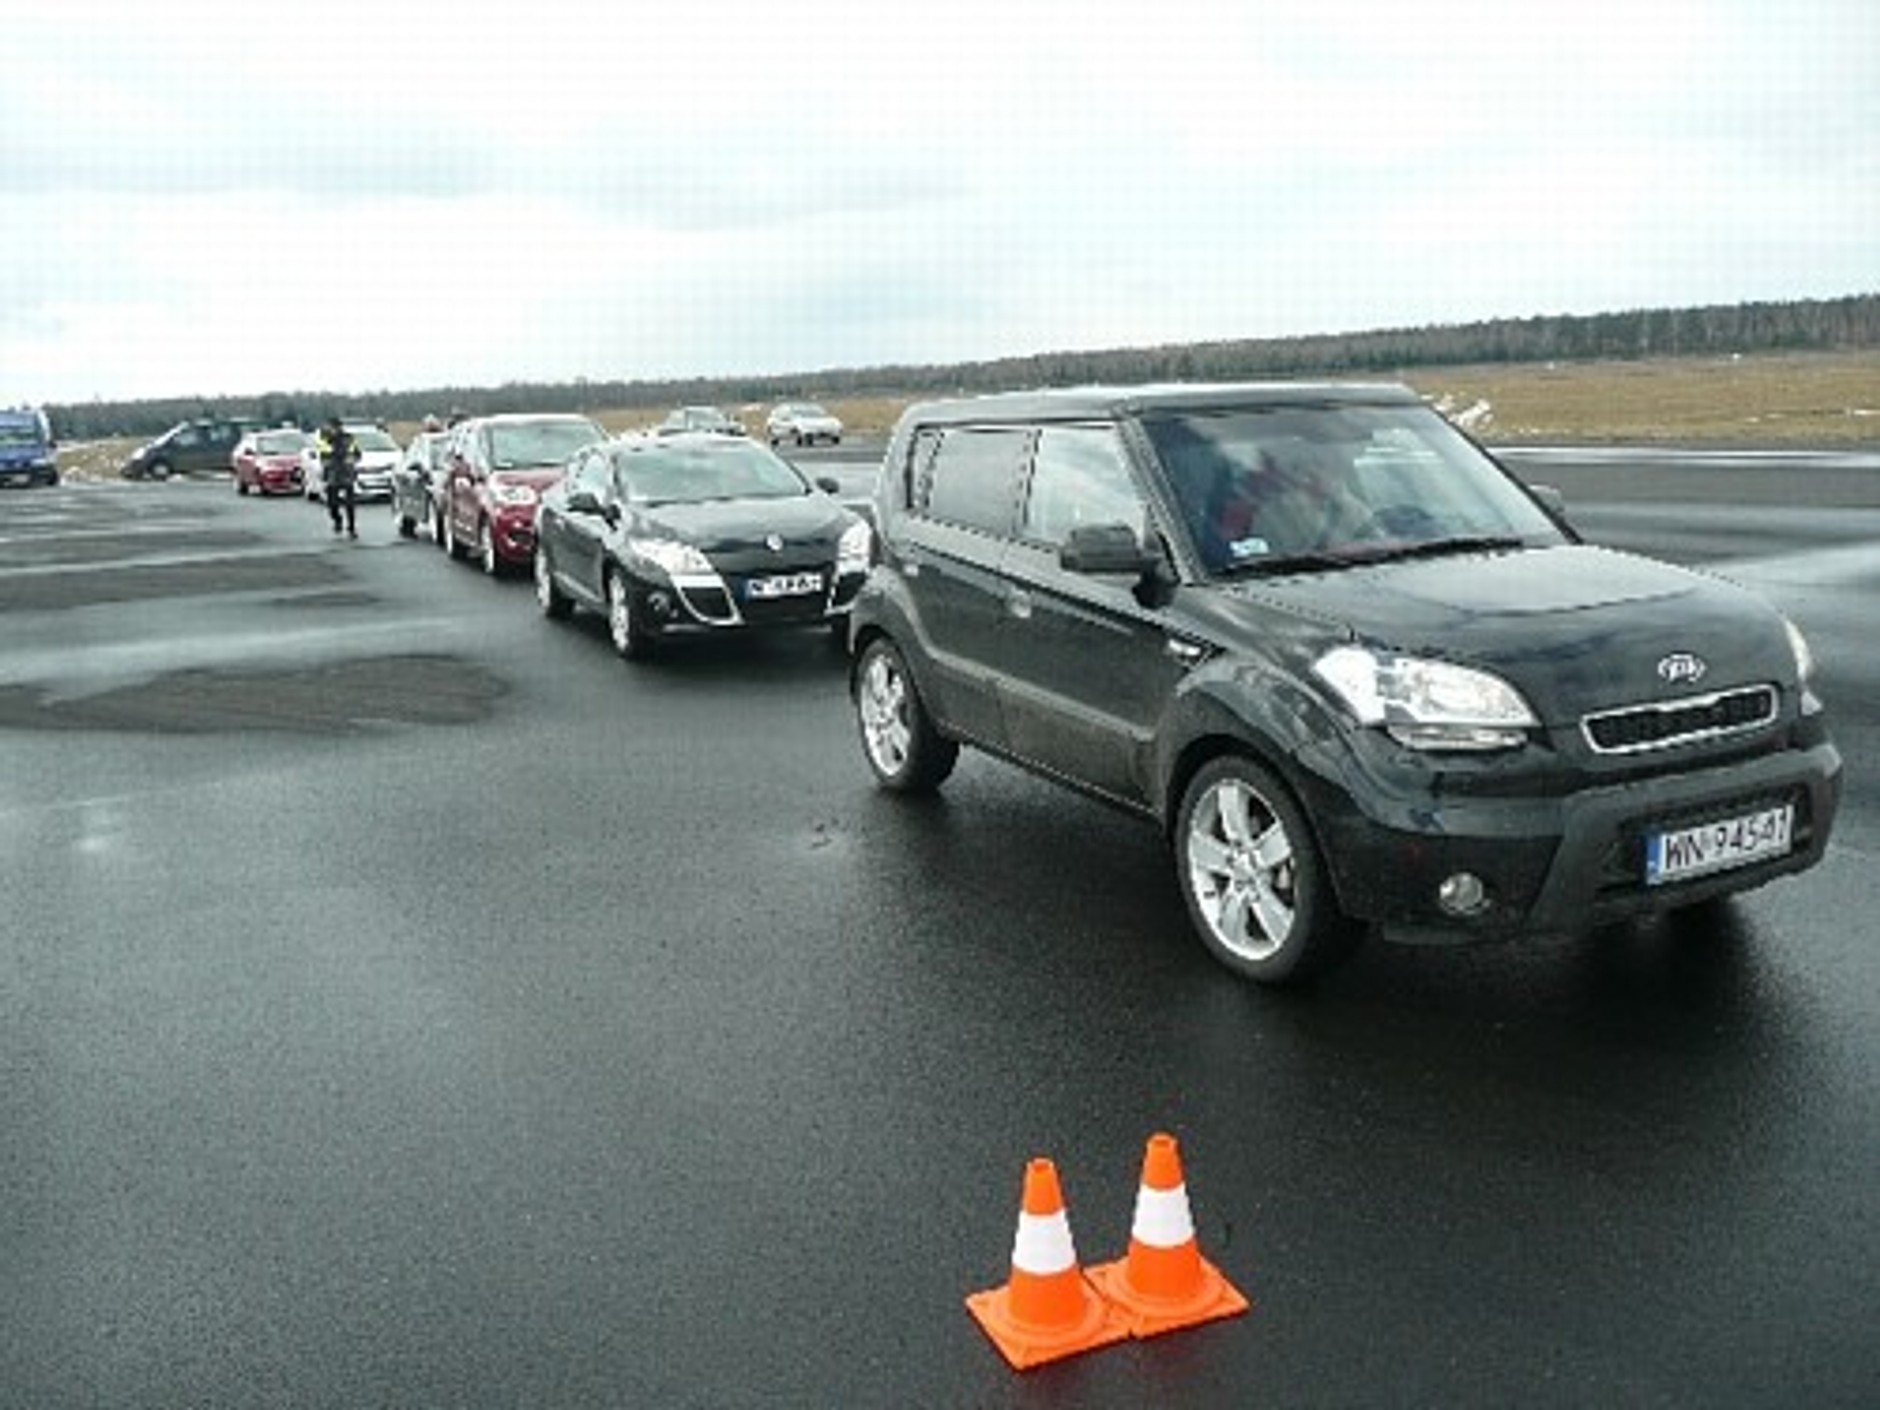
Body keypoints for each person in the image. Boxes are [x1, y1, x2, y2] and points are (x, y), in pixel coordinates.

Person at [316, 416, 361, 538]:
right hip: (332, 474)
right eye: (331, 427)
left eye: (336, 427)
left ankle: (352, 528)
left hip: (347, 473)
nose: (333, 429)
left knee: (350, 503)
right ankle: (337, 519)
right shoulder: (325, 439)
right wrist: (326, 462)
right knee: (332, 503)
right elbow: (322, 455)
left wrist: (353, 459)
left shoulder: (349, 439)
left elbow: (357, 454)